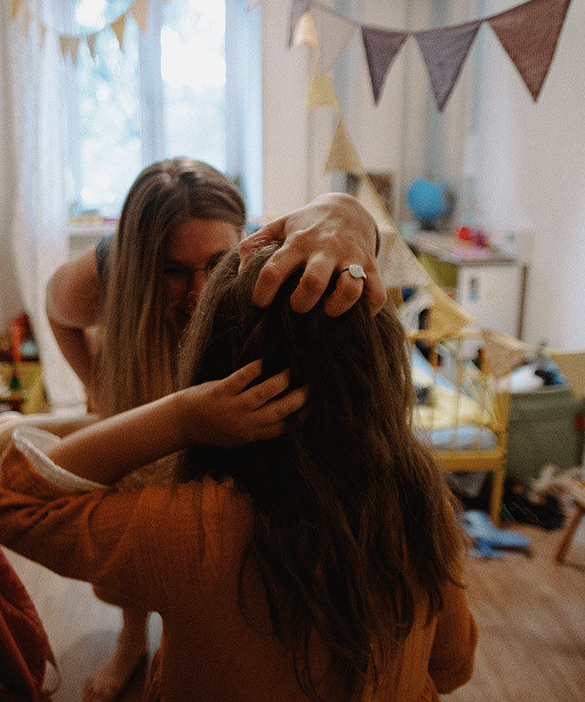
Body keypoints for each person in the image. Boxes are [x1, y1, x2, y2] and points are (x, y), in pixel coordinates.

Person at [0, 246, 476, 701]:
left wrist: (180, 417)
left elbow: (14, 503)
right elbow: (453, 666)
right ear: (380, 375)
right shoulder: (419, 511)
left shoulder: (200, 531)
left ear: (216, 371)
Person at [37, 157, 386, 701]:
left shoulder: (259, 262)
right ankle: (132, 638)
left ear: (243, 242)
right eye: (174, 271)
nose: (200, 290)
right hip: (140, 378)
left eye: (217, 264)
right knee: (134, 508)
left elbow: (336, 222)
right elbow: (57, 314)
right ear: (135, 263)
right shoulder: (99, 277)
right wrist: (100, 387)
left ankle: (185, 625)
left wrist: (349, 212)